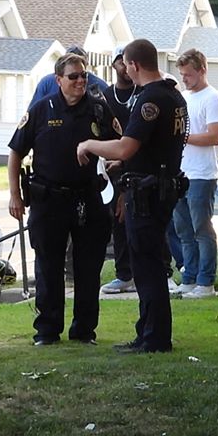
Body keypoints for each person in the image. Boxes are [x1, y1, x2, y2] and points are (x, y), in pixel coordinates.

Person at [77, 37, 187, 354]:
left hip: (148, 192)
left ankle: (154, 338)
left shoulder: (150, 99)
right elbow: (153, 146)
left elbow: (127, 144)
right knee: (148, 262)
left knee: (146, 265)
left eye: (125, 63)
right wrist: (125, 160)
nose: (124, 68)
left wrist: (89, 145)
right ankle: (148, 332)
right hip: (162, 184)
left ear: (134, 65)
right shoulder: (172, 94)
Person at [8, 49, 119, 345]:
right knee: (48, 265)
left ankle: (84, 331)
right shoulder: (42, 110)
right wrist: (15, 195)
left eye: (83, 75)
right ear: (58, 80)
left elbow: (122, 146)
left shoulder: (98, 109)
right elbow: (15, 152)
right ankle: (47, 330)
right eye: (73, 76)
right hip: (48, 198)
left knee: (88, 267)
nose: (80, 81)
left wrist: (116, 171)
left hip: (87, 198)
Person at [169, 49, 218, 299]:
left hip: (202, 174)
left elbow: (215, 135)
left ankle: (206, 281)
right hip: (181, 171)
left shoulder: (212, 99)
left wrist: (183, 137)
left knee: (202, 228)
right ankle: (189, 277)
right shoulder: (183, 97)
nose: (185, 79)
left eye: (189, 75)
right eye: (182, 75)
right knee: (183, 229)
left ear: (202, 70)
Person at [98, 51, 140, 298]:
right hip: (112, 169)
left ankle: (157, 271)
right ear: (113, 64)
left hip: (137, 166)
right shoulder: (105, 97)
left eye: (129, 61)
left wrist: (123, 159)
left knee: (142, 222)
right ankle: (124, 274)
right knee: (118, 221)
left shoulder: (142, 95)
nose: (125, 66)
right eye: (120, 61)